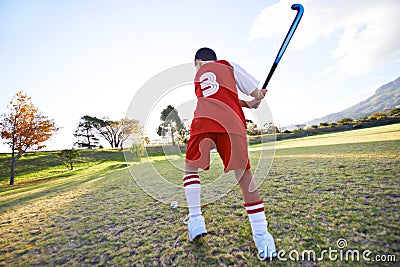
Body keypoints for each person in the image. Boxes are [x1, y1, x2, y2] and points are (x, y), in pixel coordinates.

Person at [183, 47, 277, 260]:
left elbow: (221, 95)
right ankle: (262, 236)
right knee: (245, 177)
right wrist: (258, 96)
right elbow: (249, 91)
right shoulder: (227, 65)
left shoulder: (199, 76)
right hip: (231, 123)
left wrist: (249, 103)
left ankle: (196, 218)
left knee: (191, 167)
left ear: (198, 62)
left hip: (204, 120)